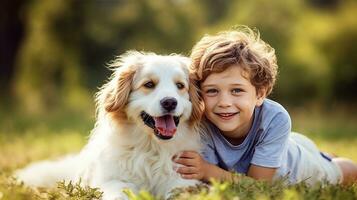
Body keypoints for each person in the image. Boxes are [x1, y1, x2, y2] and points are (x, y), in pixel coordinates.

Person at [173, 26, 357, 185]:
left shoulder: (275, 118)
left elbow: (259, 185)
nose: (224, 103)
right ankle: (321, 152)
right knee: (301, 145)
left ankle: (327, 159)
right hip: (286, 144)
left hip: (298, 166)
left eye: (237, 90)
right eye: (212, 91)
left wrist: (208, 171)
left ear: (260, 94)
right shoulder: (200, 123)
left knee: (347, 171)